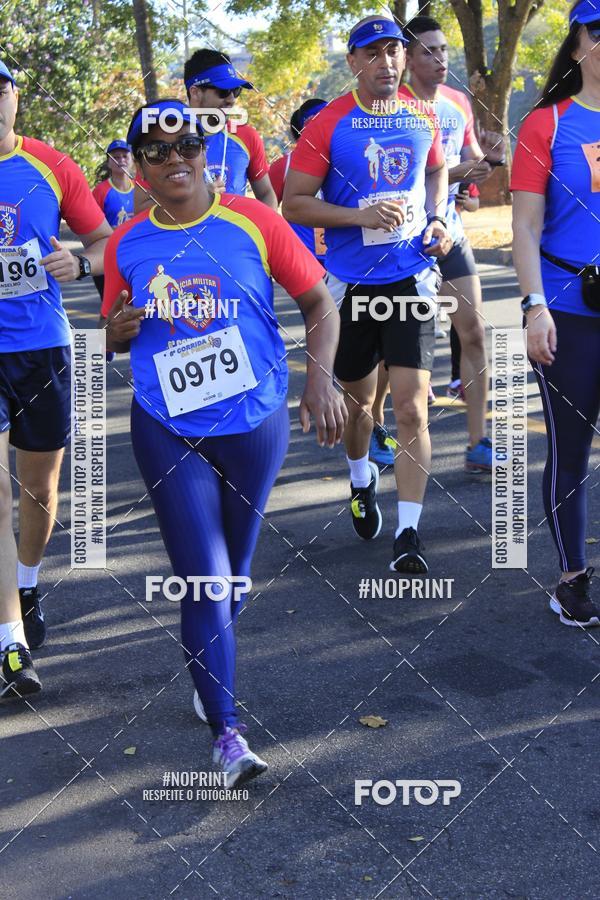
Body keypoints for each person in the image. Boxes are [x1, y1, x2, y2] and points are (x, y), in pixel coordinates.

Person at [101, 99, 346, 785]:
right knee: (205, 578)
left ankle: (207, 661)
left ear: (207, 154)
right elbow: (113, 330)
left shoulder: (254, 220)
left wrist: (319, 383)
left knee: (230, 578)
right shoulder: (127, 241)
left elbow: (320, 302)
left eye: (185, 149)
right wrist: (118, 329)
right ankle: (227, 733)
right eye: (155, 153)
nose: (174, 161)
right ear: (140, 168)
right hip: (165, 424)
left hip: (254, 421)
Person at [283, 15, 452, 574]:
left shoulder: (422, 114)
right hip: (352, 285)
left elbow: (437, 170)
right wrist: (358, 215)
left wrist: (436, 218)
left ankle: (408, 533)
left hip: (410, 279)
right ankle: (361, 481)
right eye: (372, 53)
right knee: (359, 409)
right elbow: (295, 204)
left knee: (411, 407)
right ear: (353, 62)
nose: (386, 62)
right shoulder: (328, 125)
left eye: (394, 51)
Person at [0, 61, 111, 699]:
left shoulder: (53, 164)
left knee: (40, 493)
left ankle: (26, 580)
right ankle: (10, 643)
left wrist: (79, 259)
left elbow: (103, 241)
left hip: (41, 347)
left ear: (15, 98)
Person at [511, 0, 600, 628]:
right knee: (572, 448)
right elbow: (525, 222)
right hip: (569, 309)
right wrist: (534, 304)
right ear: (576, 46)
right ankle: (571, 580)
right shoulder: (547, 124)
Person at [401, 15, 505, 474]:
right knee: (400, 351)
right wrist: (462, 171)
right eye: (428, 51)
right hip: (404, 243)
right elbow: (414, 176)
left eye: (443, 49)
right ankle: (385, 435)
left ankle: (478, 442)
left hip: (451, 234)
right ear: (407, 58)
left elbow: (469, 168)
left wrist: (488, 163)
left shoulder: (458, 102)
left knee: (475, 333)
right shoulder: (392, 107)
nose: (440, 58)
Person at [269, 98, 328, 261]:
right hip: (304, 261)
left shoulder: (348, 159)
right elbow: (267, 213)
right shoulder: (284, 166)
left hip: (344, 257)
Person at [447, 183, 480, 401]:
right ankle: (423, 380)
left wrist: (465, 201)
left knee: (464, 320)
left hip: (452, 244)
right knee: (421, 315)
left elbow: (475, 203)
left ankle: (457, 379)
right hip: (415, 246)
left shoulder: (461, 165)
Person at [92, 140, 135, 300]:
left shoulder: (140, 189)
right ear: (109, 162)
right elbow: (92, 228)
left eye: (125, 156)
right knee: (110, 310)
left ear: (132, 160)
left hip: (132, 257)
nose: (121, 160)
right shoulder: (101, 191)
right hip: (108, 258)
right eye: (116, 157)